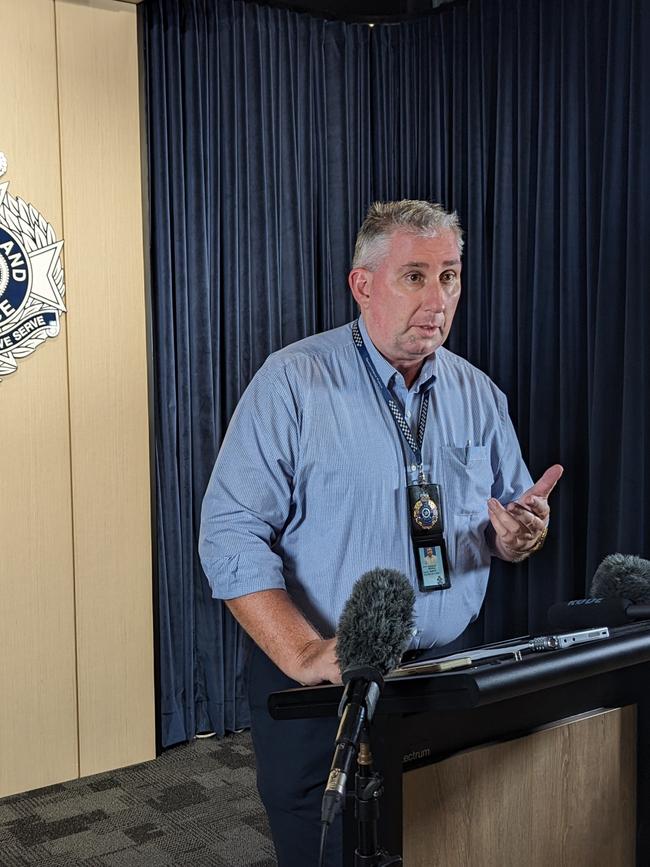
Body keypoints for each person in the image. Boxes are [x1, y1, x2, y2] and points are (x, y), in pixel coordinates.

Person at [199, 200, 562, 867]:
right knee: (329, 847)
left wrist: (518, 536)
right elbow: (229, 533)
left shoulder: (479, 395)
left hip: (444, 670)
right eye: (415, 276)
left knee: (440, 841)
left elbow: (507, 522)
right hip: (325, 683)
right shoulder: (294, 384)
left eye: (449, 276)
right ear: (362, 285)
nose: (438, 298)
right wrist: (305, 651)